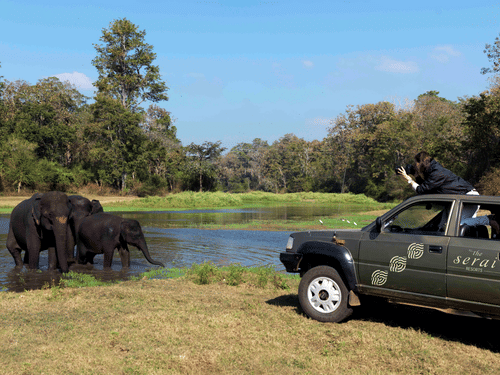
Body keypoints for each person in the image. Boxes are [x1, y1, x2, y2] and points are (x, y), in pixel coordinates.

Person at [397, 151, 499, 234]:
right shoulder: (432, 170)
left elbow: (420, 190)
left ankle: (488, 220)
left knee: (456, 227)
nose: (415, 166)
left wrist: (408, 179)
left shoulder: (437, 173)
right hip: (458, 200)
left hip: (467, 199)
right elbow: (425, 188)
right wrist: (413, 173)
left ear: (421, 162)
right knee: (444, 228)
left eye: (416, 163)